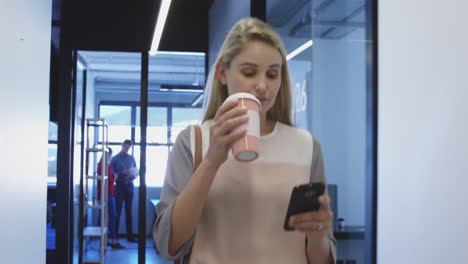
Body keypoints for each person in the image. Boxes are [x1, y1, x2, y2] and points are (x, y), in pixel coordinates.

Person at [153, 17, 336, 263]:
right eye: (249, 72)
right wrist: (212, 161)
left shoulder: (307, 147)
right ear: (222, 73)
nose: (262, 85)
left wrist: (318, 233)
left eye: (272, 74)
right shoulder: (193, 141)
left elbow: (321, 258)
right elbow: (169, 244)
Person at [110, 139, 138, 242]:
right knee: (117, 211)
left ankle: (130, 236)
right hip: (119, 186)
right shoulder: (115, 159)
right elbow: (111, 174)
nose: (127, 149)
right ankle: (115, 236)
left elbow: (136, 171)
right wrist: (122, 172)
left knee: (129, 211)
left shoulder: (131, 158)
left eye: (128, 147)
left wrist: (133, 174)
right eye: (125, 147)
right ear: (122, 145)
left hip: (129, 186)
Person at [97, 148, 124, 249]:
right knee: (112, 216)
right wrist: (115, 177)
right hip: (107, 194)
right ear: (107, 155)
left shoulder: (103, 166)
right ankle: (113, 240)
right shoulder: (103, 166)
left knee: (103, 216)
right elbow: (107, 181)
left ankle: (103, 240)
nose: (111, 157)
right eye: (110, 155)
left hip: (106, 194)